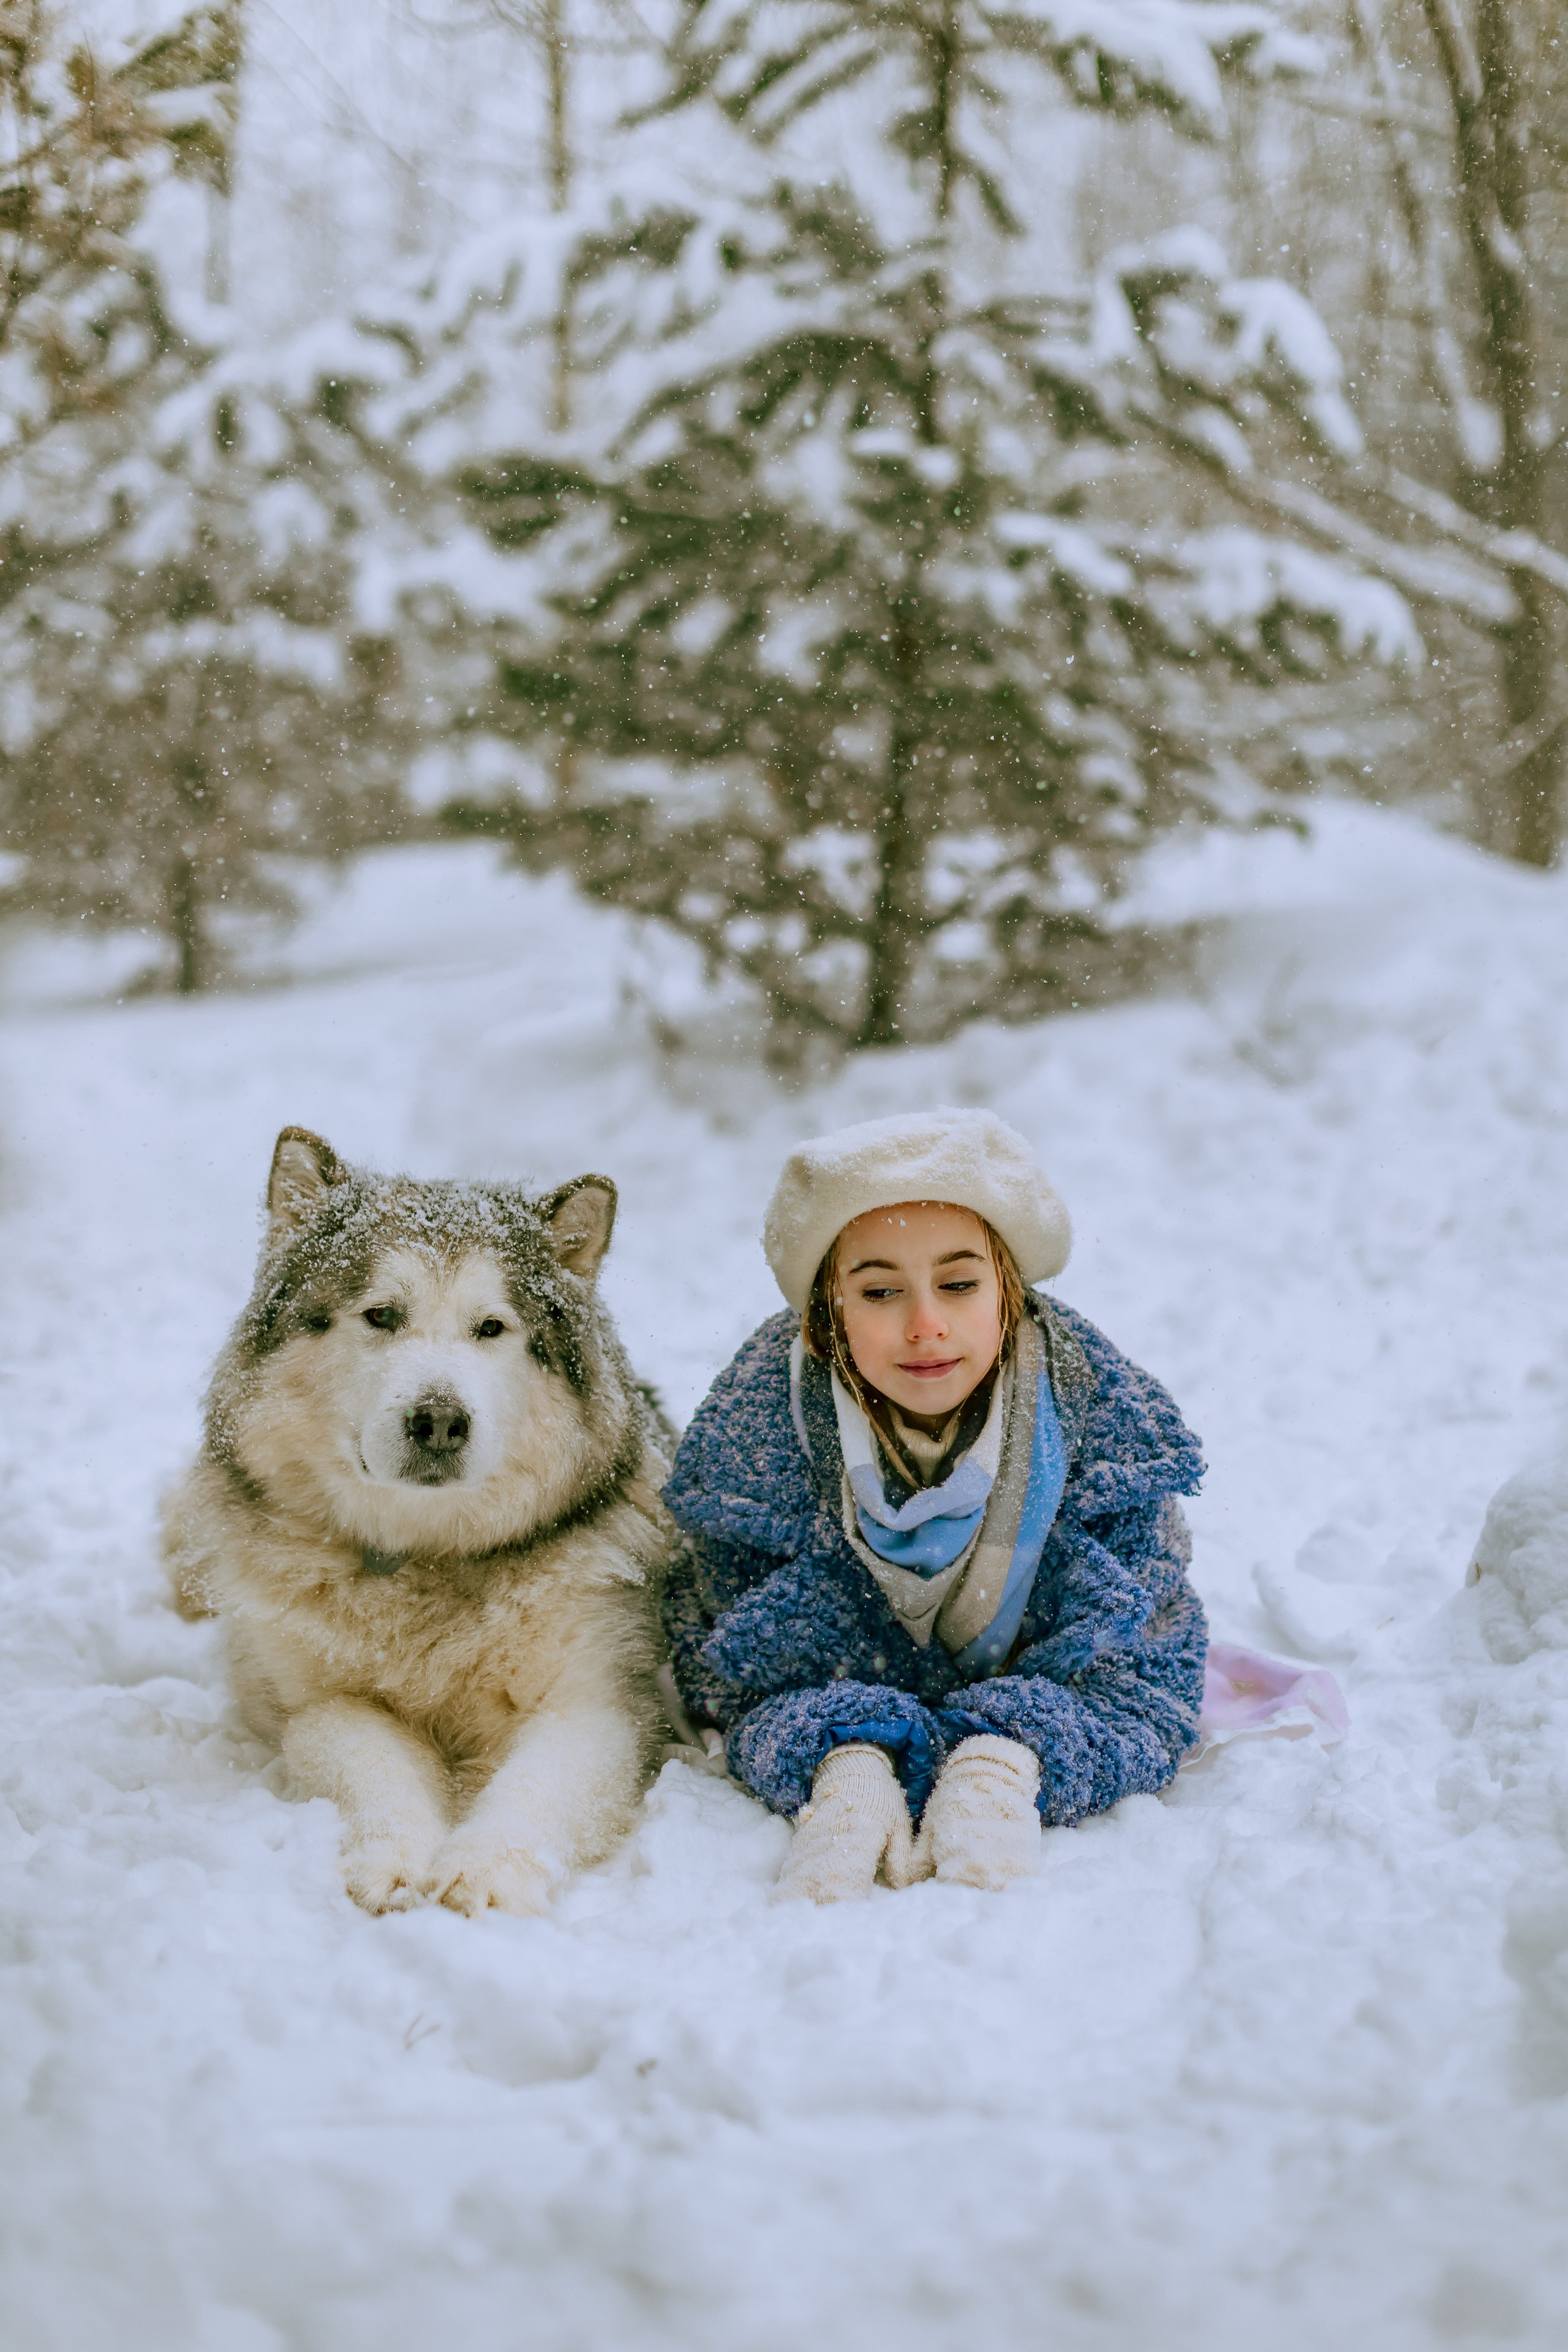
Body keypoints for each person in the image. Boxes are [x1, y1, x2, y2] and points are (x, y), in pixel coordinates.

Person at [662, 1108, 1208, 1902]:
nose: (925, 1326)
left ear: (1009, 1295)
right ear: (826, 1316)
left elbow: (1148, 1674)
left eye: (958, 1284)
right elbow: (728, 1671)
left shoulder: (1107, 1436)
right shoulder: (752, 1454)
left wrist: (1005, 1757)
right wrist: (843, 1761)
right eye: (880, 1290)